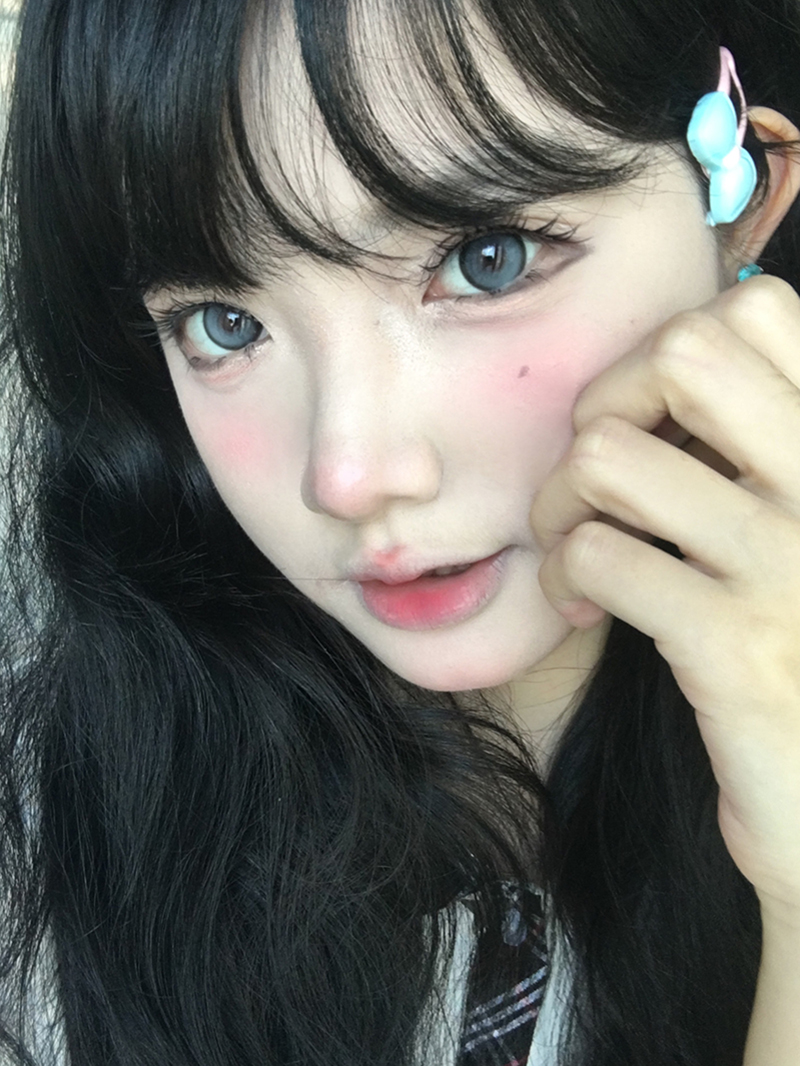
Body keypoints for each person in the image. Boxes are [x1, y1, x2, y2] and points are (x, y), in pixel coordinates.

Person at [2, 0, 800, 1062]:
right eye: (223, 323)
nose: (348, 475)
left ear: (740, 195)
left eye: (487, 258)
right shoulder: (56, 836)